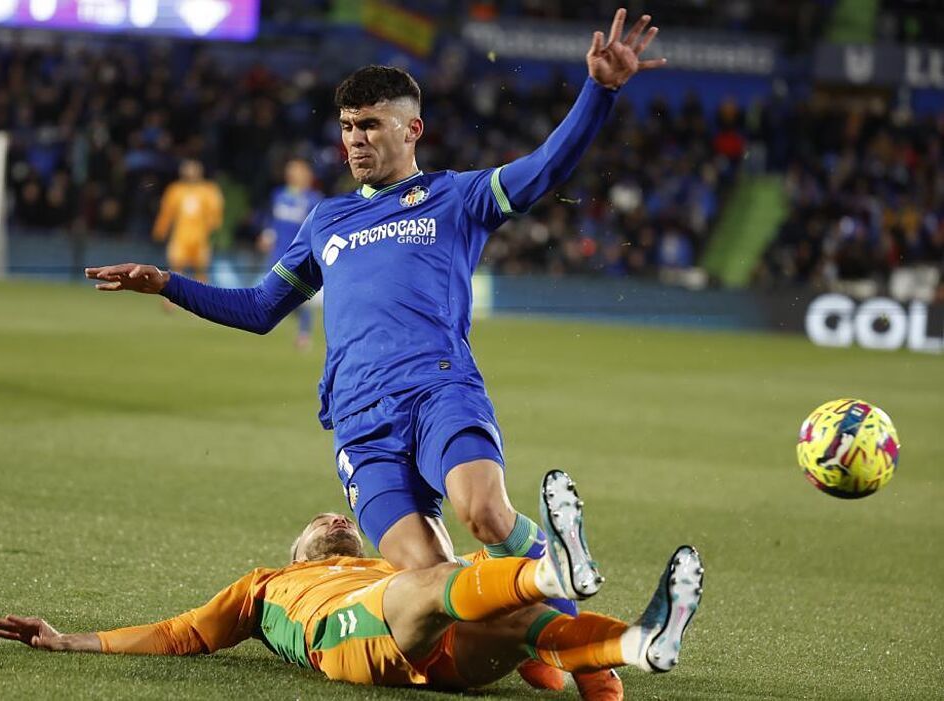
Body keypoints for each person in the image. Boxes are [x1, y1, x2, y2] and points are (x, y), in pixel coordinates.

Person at [86, 8, 663, 690]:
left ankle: (561, 588)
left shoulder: (456, 197)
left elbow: (542, 170)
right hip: (361, 426)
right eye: (347, 127)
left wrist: (599, 91)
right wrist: (167, 283)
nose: (355, 140)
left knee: (484, 514)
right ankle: (569, 648)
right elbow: (260, 309)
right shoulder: (326, 219)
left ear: (411, 128)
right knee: (429, 587)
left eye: (370, 125)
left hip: (438, 389)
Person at [0, 471, 705, 698]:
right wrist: (69, 641)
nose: (336, 517)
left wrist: (585, 673)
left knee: (519, 622)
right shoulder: (270, 585)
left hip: (435, 654)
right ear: (298, 550)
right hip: (345, 634)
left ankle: (640, 643)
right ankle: (549, 567)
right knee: (441, 581)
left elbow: (545, 672)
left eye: (344, 520)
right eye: (321, 521)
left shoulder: (384, 563)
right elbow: (183, 634)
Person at [258, 158, 323, 349]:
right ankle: (269, 324)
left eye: (298, 170)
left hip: (299, 256)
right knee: (274, 293)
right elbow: (271, 220)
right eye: (291, 170)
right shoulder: (278, 195)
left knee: (299, 296)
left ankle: (304, 334)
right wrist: (266, 235)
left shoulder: (313, 199)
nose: (293, 173)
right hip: (277, 253)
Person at [152, 158, 223, 297]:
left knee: (201, 271)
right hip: (180, 238)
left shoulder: (208, 190)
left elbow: (215, 213)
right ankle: (171, 300)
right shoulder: (175, 190)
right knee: (176, 270)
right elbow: (166, 213)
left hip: (200, 238)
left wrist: (213, 228)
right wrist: (160, 230)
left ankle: (202, 300)